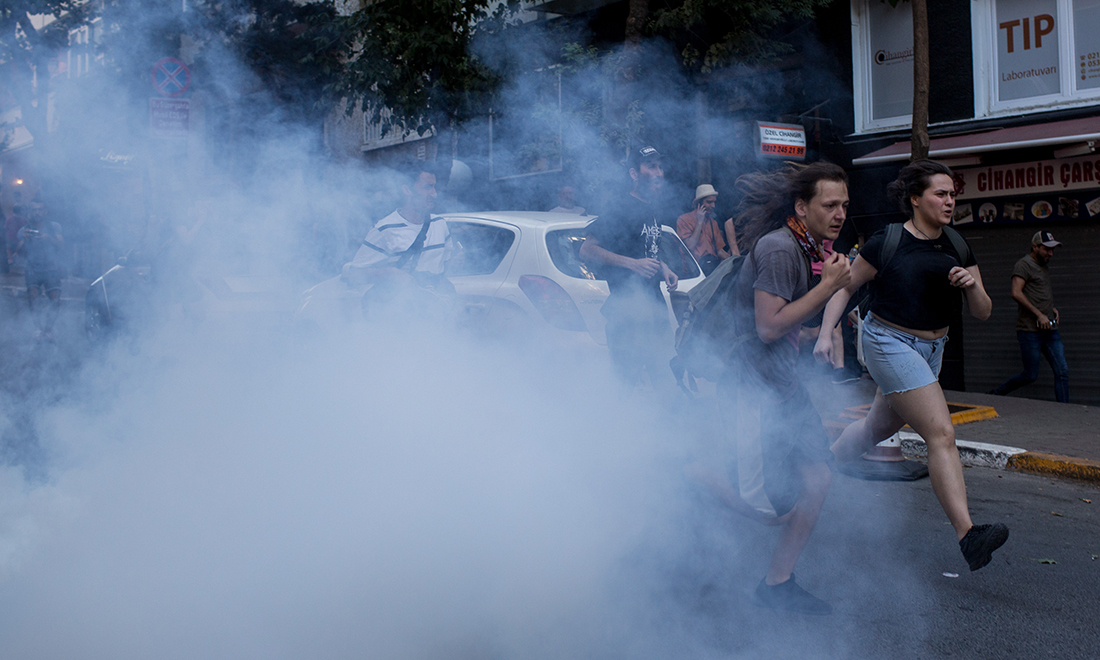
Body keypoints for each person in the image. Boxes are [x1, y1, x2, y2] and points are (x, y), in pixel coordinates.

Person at [814, 160, 1008, 573]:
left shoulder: (957, 242)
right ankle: (968, 535)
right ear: (916, 199)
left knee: (875, 428)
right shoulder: (888, 240)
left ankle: (816, 469)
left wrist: (972, 286)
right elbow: (845, 288)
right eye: (941, 194)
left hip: (933, 349)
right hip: (888, 342)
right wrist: (826, 332)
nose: (950, 201)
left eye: (952, 194)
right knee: (941, 432)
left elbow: (984, 311)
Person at [709, 162, 852, 614]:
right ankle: (688, 475)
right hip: (751, 386)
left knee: (818, 478)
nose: (840, 214)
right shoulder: (778, 248)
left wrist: (818, 331)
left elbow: (789, 323)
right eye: (830, 205)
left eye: (844, 205)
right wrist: (827, 287)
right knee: (765, 510)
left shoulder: (810, 248)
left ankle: (776, 584)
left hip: (784, 384)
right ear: (801, 207)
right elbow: (768, 326)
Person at [579, 146, 678, 392]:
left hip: (654, 310)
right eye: (651, 166)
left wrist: (664, 267)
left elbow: (646, 249)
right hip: (627, 314)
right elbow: (587, 250)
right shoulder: (620, 207)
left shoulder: (653, 207)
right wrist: (632, 264)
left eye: (660, 167)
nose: (658, 173)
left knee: (665, 378)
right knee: (626, 386)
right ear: (634, 173)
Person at [343, 162, 455, 316]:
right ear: (407, 190)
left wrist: (457, 261)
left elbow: (446, 266)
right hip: (399, 316)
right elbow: (355, 274)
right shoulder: (384, 229)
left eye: (434, 187)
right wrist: (389, 273)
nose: (434, 194)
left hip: (434, 315)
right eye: (427, 187)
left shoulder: (440, 224)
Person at [988, 231, 1068, 403]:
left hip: (1050, 329)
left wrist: (1050, 309)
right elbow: (1016, 293)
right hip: (1030, 331)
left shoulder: (1043, 266)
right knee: (1030, 375)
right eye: (1047, 249)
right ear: (1035, 247)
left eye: (1052, 250)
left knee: (1062, 372)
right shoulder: (1024, 265)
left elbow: (1037, 293)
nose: (1050, 253)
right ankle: (997, 393)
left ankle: (1065, 410)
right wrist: (1039, 314)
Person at [15, 201, 65, 341]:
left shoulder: (54, 227)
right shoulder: (24, 230)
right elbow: (18, 252)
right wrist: (25, 239)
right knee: (33, 298)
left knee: (55, 299)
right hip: (32, 268)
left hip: (51, 268)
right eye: (34, 210)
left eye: (40, 210)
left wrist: (48, 238)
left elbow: (62, 245)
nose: (37, 213)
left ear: (45, 211)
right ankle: (38, 328)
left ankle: (48, 329)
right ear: (30, 212)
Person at [675, 184, 735, 276]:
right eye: (709, 202)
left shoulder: (713, 223)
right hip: (694, 272)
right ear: (699, 203)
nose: (713, 205)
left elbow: (719, 250)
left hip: (711, 270)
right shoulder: (684, 220)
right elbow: (690, 246)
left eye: (714, 202)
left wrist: (734, 259)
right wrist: (699, 222)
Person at [5, 204, 27, 273]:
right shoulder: (23, 219)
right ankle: (13, 260)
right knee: (10, 248)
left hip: (15, 238)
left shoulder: (9, 218)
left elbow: (6, 227)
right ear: (20, 211)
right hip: (16, 239)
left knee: (10, 248)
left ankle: (12, 260)